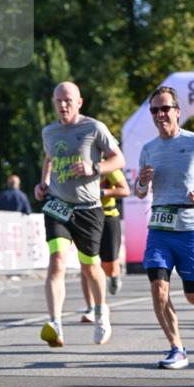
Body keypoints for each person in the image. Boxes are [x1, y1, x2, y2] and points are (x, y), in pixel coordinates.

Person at [136, 85, 194, 370]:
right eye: (155, 110)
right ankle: (177, 348)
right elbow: (138, 192)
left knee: (191, 294)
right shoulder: (148, 149)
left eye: (165, 109)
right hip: (159, 229)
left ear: (177, 112)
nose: (160, 114)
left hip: (190, 229)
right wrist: (143, 181)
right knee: (158, 287)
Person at [34, 82, 125, 347]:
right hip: (58, 206)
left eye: (68, 100)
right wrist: (44, 183)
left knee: (90, 267)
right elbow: (49, 158)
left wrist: (93, 167)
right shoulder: (49, 131)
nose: (63, 105)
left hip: (88, 209)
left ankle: (101, 313)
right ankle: (55, 324)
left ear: (79, 102)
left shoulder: (94, 128)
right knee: (58, 261)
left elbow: (119, 159)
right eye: (58, 100)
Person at [81, 166, 130, 322]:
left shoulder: (108, 167)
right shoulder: (79, 166)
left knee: (109, 266)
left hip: (108, 216)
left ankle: (115, 274)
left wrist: (102, 193)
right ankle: (91, 307)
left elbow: (125, 191)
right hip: (86, 216)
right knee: (87, 264)